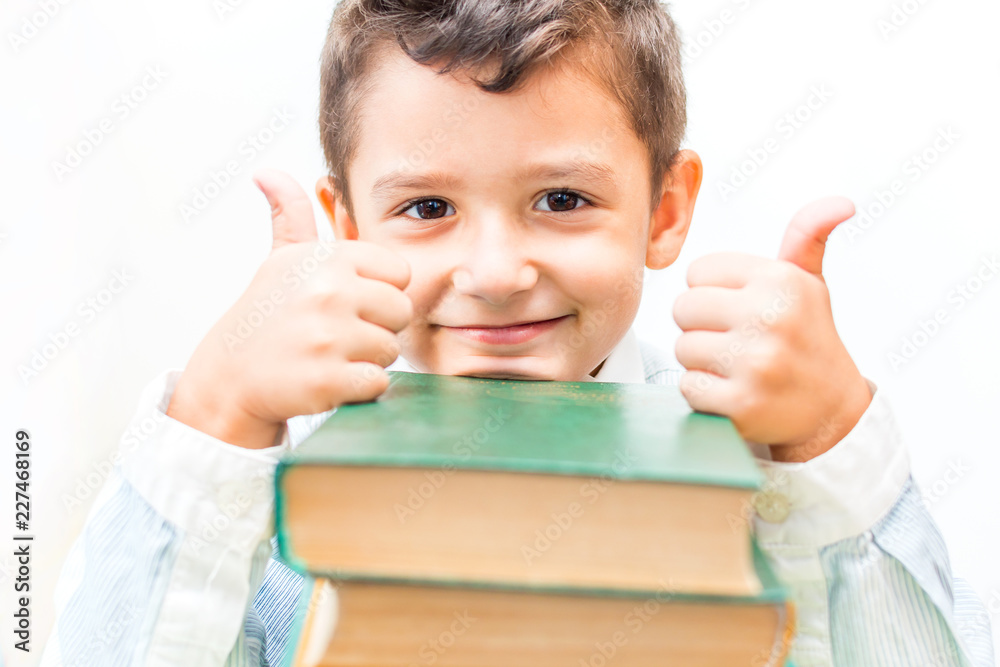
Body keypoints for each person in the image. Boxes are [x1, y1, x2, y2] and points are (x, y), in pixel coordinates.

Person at [41, 1, 993, 665]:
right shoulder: (269, 497)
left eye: (562, 198)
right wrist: (214, 414)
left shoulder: (763, 482)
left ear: (665, 209)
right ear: (347, 226)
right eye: (424, 207)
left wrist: (831, 443)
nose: (495, 274)